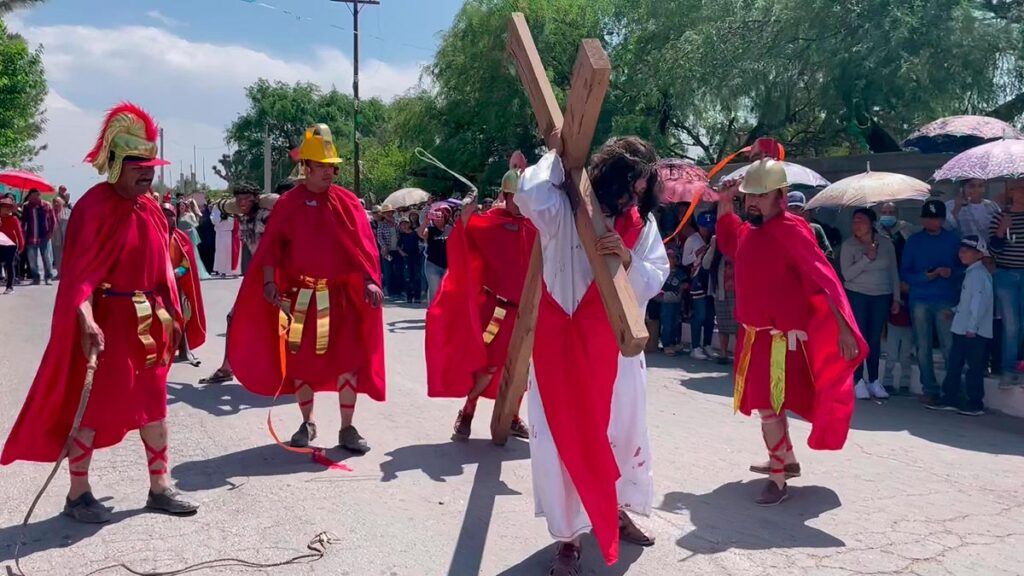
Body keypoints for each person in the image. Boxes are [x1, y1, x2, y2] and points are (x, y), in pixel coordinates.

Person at [1, 102, 198, 522]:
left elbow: (162, 268)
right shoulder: (93, 207)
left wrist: (173, 317)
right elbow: (79, 277)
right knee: (91, 409)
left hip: (150, 327)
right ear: (116, 164)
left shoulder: (150, 208)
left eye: (151, 166)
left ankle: (160, 486)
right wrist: (87, 319)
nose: (147, 173)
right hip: (109, 325)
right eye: (138, 166)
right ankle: (78, 494)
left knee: (155, 405)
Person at [519, 137, 668, 573]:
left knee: (620, 434)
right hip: (563, 347)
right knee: (562, 441)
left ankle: (615, 512)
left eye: (642, 190)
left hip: (617, 351)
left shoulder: (640, 224)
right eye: (629, 187)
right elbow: (529, 194)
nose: (633, 199)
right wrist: (559, 153)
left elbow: (657, 273)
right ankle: (569, 537)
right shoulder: (563, 210)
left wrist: (627, 258)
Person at [226, 124, 385, 453]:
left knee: (348, 360)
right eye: (322, 166)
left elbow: (364, 247)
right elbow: (272, 249)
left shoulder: (347, 202)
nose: (329, 172)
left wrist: (370, 279)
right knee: (301, 364)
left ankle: (347, 428)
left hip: (340, 298)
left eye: (332, 167)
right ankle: (307, 422)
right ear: (306, 167)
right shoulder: (288, 204)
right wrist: (269, 281)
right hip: (301, 299)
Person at [715, 158, 865, 507]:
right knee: (768, 408)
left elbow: (822, 278)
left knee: (769, 408)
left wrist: (843, 327)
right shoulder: (749, 231)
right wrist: (724, 203)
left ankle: (778, 478)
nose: (753, 202)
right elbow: (728, 241)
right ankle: (786, 459)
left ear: (780, 196)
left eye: (761, 195)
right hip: (753, 337)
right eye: (749, 195)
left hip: (781, 340)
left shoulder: (793, 230)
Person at [425, 183, 535, 441]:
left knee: (523, 371)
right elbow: (463, 239)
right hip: (497, 313)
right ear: (506, 196)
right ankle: (468, 411)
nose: (521, 203)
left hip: (527, 315)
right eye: (516, 197)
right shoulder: (490, 222)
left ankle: (512, 416)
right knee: (488, 366)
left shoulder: (536, 226)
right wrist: (466, 215)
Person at [199, 182, 279, 385]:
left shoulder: (267, 216)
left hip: (276, 274)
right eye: (239, 199)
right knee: (235, 318)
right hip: (259, 273)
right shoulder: (242, 214)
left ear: (256, 199)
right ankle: (228, 367)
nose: (242, 203)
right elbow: (221, 206)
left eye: (246, 199)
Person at [925, 235, 993, 416]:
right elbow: (968, 302)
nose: (962, 253)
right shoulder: (971, 273)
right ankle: (950, 398)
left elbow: (979, 303)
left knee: (973, 367)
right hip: (963, 329)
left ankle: (975, 403)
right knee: (955, 364)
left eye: (968, 251)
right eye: (962, 250)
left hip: (973, 332)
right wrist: (954, 311)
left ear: (979, 254)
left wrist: (972, 327)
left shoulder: (978, 275)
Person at [902, 199, 961, 404]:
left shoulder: (953, 240)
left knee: (949, 345)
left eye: (935, 218)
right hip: (920, 298)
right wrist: (925, 277)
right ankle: (929, 388)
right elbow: (905, 272)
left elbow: (963, 268)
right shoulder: (914, 241)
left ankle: (953, 390)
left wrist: (950, 273)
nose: (930, 221)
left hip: (945, 298)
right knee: (922, 345)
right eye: (927, 217)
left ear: (943, 220)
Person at [840, 208, 901, 400]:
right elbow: (847, 274)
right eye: (854, 221)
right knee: (860, 337)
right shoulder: (848, 245)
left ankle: (874, 380)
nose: (856, 225)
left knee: (874, 338)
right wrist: (867, 258)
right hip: (857, 294)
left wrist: (896, 297)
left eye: (861, 221)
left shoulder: (886, 243)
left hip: (881, 295)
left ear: (872, 224)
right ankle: (857, 379)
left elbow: (893, 271)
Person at [988, 179, 1024, 388]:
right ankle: (1007, 370)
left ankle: (1017, 363)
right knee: (1011, 324)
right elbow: (993, 250)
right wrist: (1001, 230)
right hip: (1006, 275)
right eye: (1019, 189)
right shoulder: (1000, 217)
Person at [162, 203, 206, 366]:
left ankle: (184, 349)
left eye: (171, 215)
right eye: (164, 214)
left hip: (177, 285)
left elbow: (187, 263)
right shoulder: (153, 236)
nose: (168, 218)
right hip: (158, 286)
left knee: (183, 316)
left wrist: (177, 272)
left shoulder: (180, 238)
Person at [877, 202, 916, 394]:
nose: (888, 215)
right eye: (884, 212)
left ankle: (905, 382)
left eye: (891, 212)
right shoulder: (875, 232)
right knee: (888, 336)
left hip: (905, 284)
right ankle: (887, 380)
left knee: (906, 343)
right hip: (882, 282)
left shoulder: (906, 230)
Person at [685, 211, 716, 359]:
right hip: (697, 279)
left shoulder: (714, 238)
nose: (706, 230)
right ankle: (695, 346)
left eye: (709, 227)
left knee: (710, 315)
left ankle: (707, 344)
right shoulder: (692, 239)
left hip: (711, 279)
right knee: (700, 314)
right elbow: (684, 260)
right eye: (704, 227)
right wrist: (696, 254)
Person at [702, 232, 737, 365]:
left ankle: (739, 354)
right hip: (721, 292)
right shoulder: (716, 252)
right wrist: (712, 247)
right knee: (722, 325)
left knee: (738, 326)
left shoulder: (737, 247)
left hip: (737, 293)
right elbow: (705, 265)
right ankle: (723, 353)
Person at [21, 188, 56, 285]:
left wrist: (50, 233)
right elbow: (23, 221)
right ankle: (36, 278)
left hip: (44, 236)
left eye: (35, 195)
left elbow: (53, 220)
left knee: (47, 258)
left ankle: (48, 277)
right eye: (31, 196)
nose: (33, 198)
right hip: (31, 236)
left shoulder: (46, 205)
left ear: (39, 195)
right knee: (32, 260)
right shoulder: (26, 206)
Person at [786, 191, 834, 261]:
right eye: (791, 208)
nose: (794, 212)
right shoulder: (781, 231)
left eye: (798, 208)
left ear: (804, 210)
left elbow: (829, 254)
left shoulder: (815, 229)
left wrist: (816, 254)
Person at [420, 204, 451, 305]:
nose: (439, 219)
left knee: (447, 289)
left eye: (441, 217)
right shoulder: (430, 230)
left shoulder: (450, 229)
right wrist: (426, 221)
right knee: (434, 289)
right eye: (436, 217)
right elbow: (420, 233)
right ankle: (433, 310)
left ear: (445, 218)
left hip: (448, 265)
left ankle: (444, 311)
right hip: (432, 265)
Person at [659, 249, 687, 355]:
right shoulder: (662, 271)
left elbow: (686, 283)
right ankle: (666, 345)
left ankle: (673, 343)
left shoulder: (680, 272)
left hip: (677, 300)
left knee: (676, 322)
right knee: (667, 323)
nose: (673, 259)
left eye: (675, 257)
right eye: (670, 257)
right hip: (666, 300)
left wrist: (683, 286)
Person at [175, 199, 210, 281]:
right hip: (180, 237)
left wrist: (190, 229)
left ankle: (196, 272)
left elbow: (196, 224)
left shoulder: (190, 215)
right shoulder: (177, 216)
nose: (182, 207)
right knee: (182, 255)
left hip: (190, 236)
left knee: (193, 254)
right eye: (180, 206)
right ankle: (184, 272)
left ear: (185, 207)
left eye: (183, 205)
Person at [375, 204, 400, 298]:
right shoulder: (381, 225)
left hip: (397, 250)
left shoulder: (397, 222)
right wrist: (384, 247)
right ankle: (389, 290)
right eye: (386, 213)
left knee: (398, 270)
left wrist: (393, 222)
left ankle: (398, 290)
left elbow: (401, 232)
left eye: (390, 212)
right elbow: (379, 238)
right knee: (388, 271)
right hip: (387, 252)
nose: (388, 214)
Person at [0, 196, 24, 294]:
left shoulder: (14, 219)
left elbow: (19, 233)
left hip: (11, 245)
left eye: (8, 207)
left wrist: (21, 246)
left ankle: (9, 286)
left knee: (9, 264)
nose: (6, 209)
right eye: (4, 207)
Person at [397, 217, 422, 303]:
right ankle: (409, 296)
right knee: (408, 277)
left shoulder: (415, 233)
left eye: (406, 224)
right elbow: (398, 246)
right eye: (402, 224)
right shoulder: (402, 235)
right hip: (407, 258)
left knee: (417, 276)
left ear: (409, 224)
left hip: (416, 257)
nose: (404, 226)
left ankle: (417, 296)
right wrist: (402, 253)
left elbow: (422, 241)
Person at [211, 203, 240, 276]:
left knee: (231, 253)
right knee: (222, 253)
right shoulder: (217, 208)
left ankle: (233, 271)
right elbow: (214, 220)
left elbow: (235, 220)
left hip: (230, 233)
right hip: (221, 233)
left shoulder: (231, 207)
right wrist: (221, 218)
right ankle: (222, 270)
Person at [51, 195, 72, 275]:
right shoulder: (50, 212)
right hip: (55, 236)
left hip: (67, 236)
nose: (56, 204)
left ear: (62, 203)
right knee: (57, 256)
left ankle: (67, 272)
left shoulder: (68, 212)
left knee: (67, 255)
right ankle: (59, 273)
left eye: (58, 202)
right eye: (54, 202)